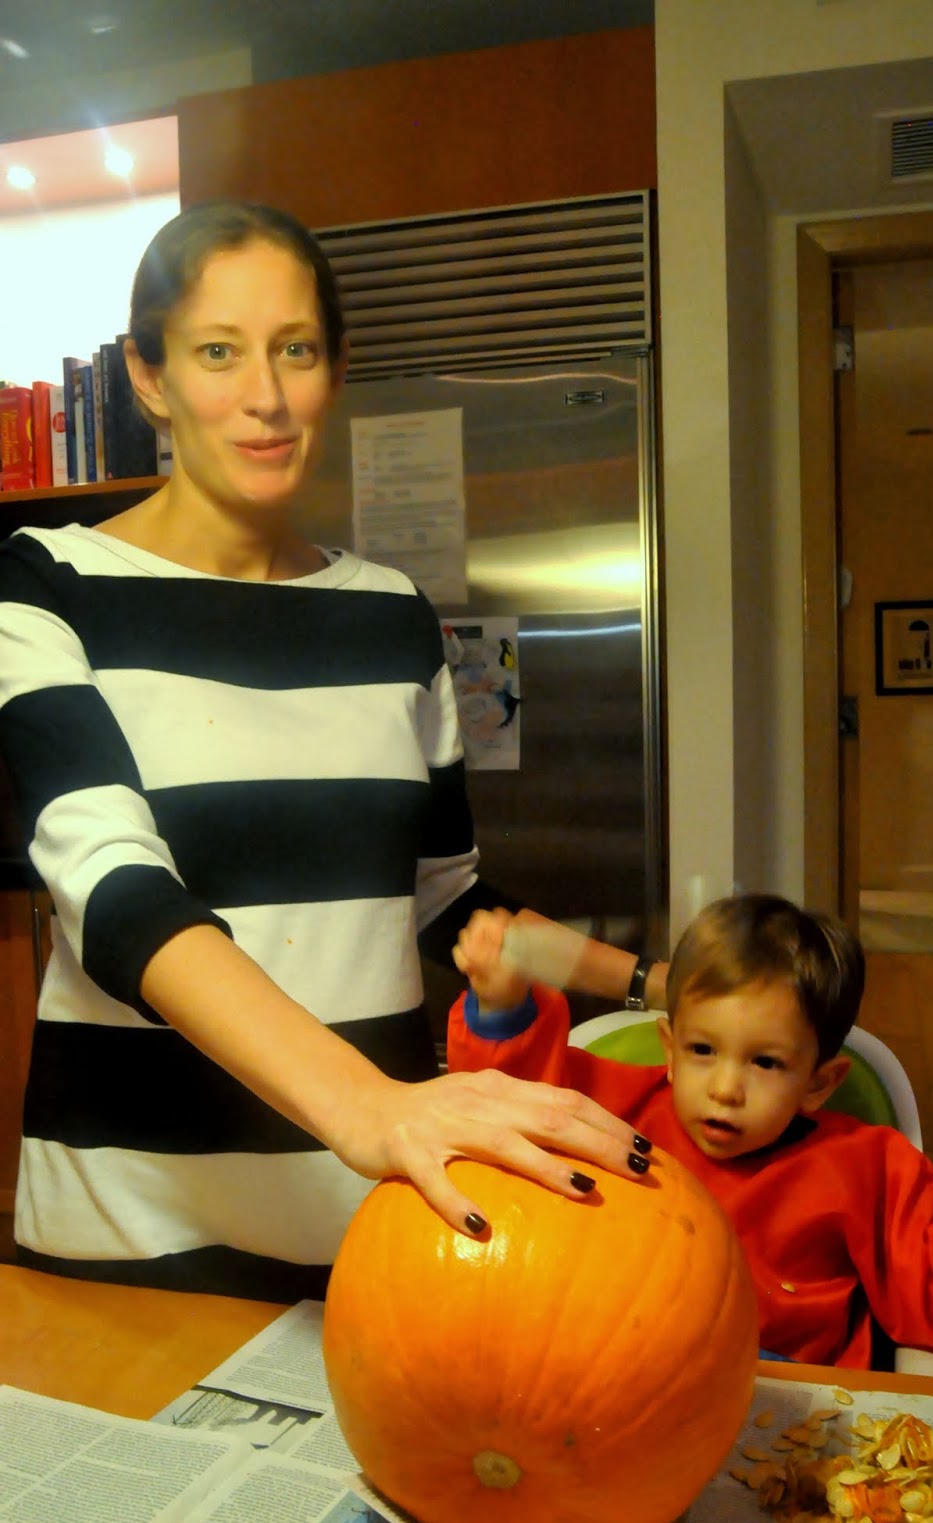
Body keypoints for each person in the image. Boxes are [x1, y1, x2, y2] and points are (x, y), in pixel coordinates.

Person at [0, 200, 665, 1300]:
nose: (264, 396)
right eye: (218, 352)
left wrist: (656, 983)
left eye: (296, 351)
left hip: (369, 1229)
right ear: (150, 377)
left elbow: (447, 901)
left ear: (335, 370)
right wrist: (368, 1104)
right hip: (128, 1236)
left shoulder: (392, 615)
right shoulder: (45, 584)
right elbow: (112, 889)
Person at [449, 892, 933, 1368]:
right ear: (669, 1049)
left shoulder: (870, 1167)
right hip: (610, 1381)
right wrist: (501, 1007)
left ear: (819, 1082)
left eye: (765, 1063)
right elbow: (512, 1107)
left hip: (790, 1413)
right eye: (702, 1050)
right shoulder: (617, 1112)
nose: (725, 1089)